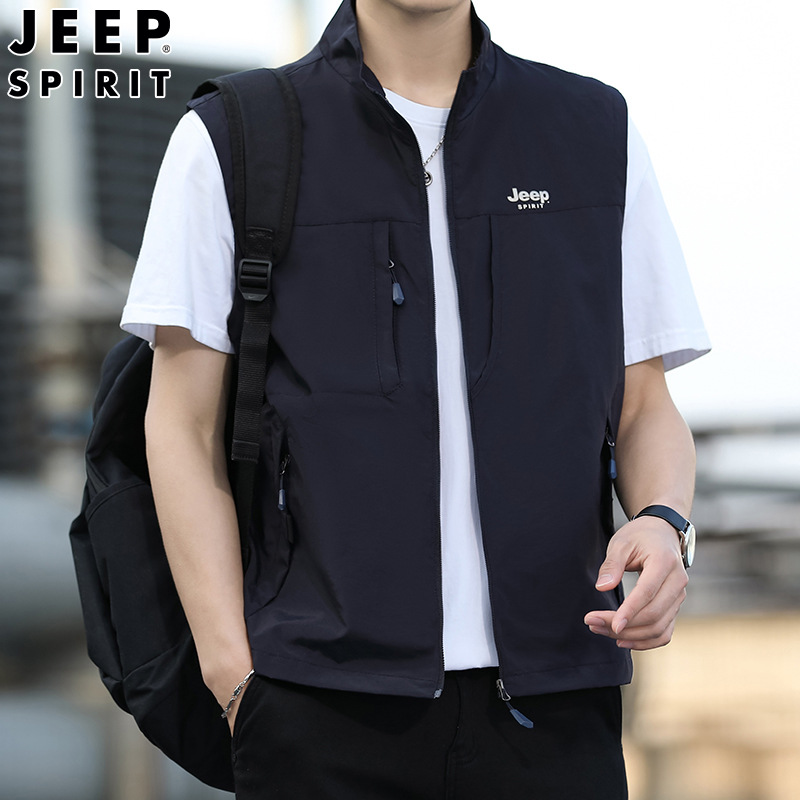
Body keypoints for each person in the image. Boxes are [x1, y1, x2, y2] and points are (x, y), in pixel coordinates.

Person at [123, 0, 710, 796]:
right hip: (319, 706)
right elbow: (180, 426)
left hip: (556, 701)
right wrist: (235, 678)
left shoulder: (592, 131)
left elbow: (643, 404)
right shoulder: (233, 136)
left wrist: (665, 521)